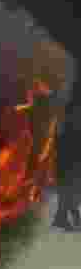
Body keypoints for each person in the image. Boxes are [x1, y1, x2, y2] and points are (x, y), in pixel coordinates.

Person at [53, 86, 81, 230]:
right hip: (68, 148)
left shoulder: (70, 107)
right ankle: (66, 216)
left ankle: (64, 216)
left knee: (70, 185)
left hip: (67, 148)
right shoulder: (72, 109)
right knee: (70, 184)